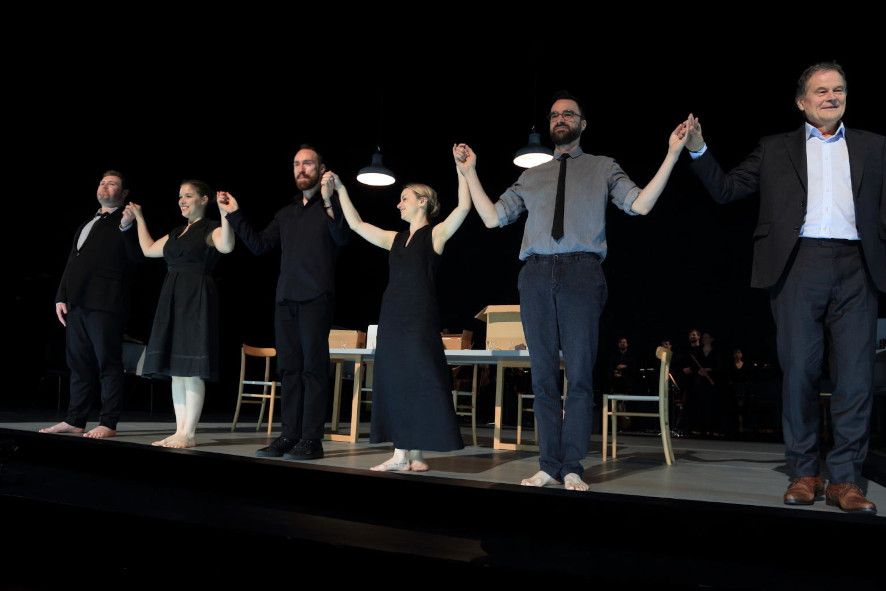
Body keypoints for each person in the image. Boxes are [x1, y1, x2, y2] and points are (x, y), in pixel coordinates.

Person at [457, 92, 690, 490]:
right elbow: (493, 217)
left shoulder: (603, 167)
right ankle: (549, 463)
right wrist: (470, 172)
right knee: (543, 376)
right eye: (554, 115)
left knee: (579, 373)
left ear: (583, 124)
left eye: (568, 114)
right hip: (534, 273)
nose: (560, 118)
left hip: (582, 272)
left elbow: (641, 205)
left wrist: (671, 154)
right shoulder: (531, 176)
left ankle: (572, 466)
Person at [685, 62, 884, 514]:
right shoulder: (776, 149)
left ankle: (846, 479)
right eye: (821, 91)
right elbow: (728, 189)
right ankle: (804, 472)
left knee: (855, 378)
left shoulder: (874, 147)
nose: (831, 96)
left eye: (839, 89)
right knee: (800, 373)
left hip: (858, 267)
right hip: (797, 265)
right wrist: (698, 151)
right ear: (801, 101)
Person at [334, 148, 471, 471]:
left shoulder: (434, 235)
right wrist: (341, 190)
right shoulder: (394, 239)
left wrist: (460, 169)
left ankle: (413, 451)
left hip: (420, 317)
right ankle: (406, 453)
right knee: (395, 379)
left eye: (404, 198)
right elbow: (356, 224)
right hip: (392, 317)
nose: (398, 203)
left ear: (422, 201)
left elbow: (464, 207)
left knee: (422, 378)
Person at [218, 145, 349, 460]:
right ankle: (289, 435)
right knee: (289, 370)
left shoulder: (332, 207)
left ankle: (311, 440)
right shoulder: (285, 213)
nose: (301, 169)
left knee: (313, 370)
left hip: (316, 298)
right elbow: (260, 245)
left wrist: (332, 197)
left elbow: (343, 237)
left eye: (308, 163)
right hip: (285, 300)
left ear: (321, 168)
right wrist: (234, 214)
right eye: (296, 164)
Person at [124, 180, 234, 448]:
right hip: (172, 298)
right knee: (176, 370)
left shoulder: (211, 228)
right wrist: (139, 218)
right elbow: (149, 249)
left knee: (191, 369)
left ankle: (190, 433)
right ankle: (179, 430)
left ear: (203, 199)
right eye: (180, 196)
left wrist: (225, 214)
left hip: (196, 297)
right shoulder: (176, 233)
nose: (182, 200)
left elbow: (227, 246)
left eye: (188, 196)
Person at [40, 170, 142, 438]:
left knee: (108, 363)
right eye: (102, 182)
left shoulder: (127, 221)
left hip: (106, 304)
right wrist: (61, 295)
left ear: (124, 193)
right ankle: (75, 419)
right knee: (79, 363)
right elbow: (72, 262)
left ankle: (108, 422)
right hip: (77, 303)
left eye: (112, 184)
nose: (105, 186)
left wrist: (129, 226)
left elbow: (136, 258)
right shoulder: (87, 222)